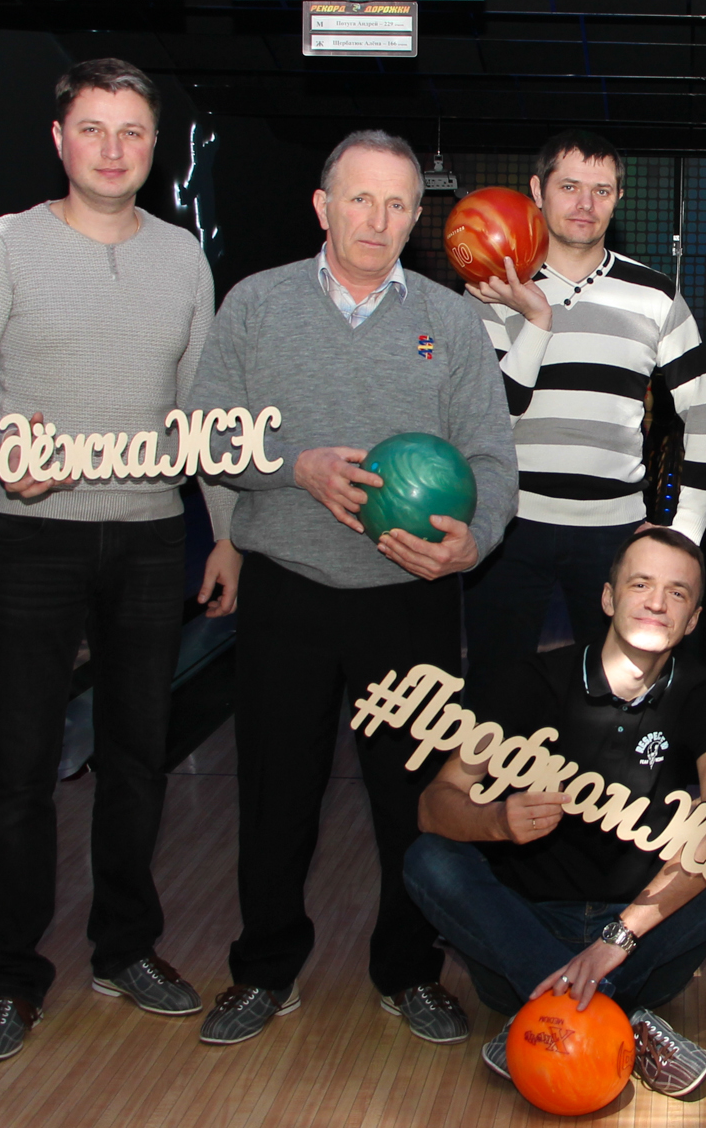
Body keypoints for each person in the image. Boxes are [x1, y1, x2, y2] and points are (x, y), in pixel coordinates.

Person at [0, 58, 234, 1062]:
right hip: (31, 534)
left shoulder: (185, 257)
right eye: (92, 129)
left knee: (137, 758)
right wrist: (1, 436)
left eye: (132, 131)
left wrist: (225, 529)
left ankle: (124, 948)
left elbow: (201, 414)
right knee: (18, 767)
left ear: (152, 148)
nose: (111, 148)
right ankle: (11, 978)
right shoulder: (6, 245)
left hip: (148, 535)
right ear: (61, 141)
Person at [189, 129, 518, 1047]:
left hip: (410, 594)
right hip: (288, 588)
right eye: (359, 199)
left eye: (397, 203)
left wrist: (472, 544)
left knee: (409, 796)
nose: (377, 219)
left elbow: (492, 456)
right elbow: (205, 435)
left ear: (418, 217)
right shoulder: (256, 304)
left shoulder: (450, 321)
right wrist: (294, 469)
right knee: (275, 790)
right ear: (322, 205)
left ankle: (408, 969)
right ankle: (263, 969)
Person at [403, 528, 706, 1099]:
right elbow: (434, 804)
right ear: (609, 598)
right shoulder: (532, 681)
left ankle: (542, 1014)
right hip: (525, 924)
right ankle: (622, 1022)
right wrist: (497, 821)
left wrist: (621, 935)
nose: (658, 603)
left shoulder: (701, 692)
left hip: (637, 935)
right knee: (429, 858)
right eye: (642, 584)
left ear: (693, 621)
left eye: (677, 593)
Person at [465, 130, 706, 673]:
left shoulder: (654, 295)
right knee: (493, 696)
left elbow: (705, 415)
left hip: (614, 531)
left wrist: (685, 531)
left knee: (614, 697)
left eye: (602, 190)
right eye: (570, 186)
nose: (585, 204)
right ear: (537, 190)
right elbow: (493, 412)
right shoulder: (489, 288)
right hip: (505, 526)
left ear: (617, 199)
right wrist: (536, 319)